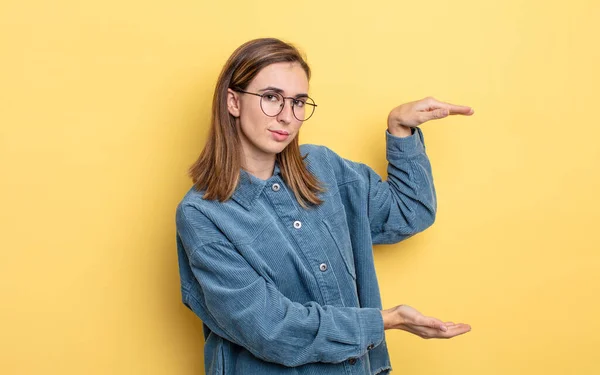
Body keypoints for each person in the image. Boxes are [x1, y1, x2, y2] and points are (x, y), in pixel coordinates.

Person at [175, 37, 473, 375]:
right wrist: (383, 321)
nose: (287, 116)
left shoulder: (323, 168)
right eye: (271, 98)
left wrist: (401, 129)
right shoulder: (202, 215)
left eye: (299, 102)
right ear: (233, 101)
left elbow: (409, 213)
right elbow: (272, 330)